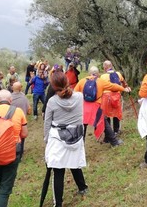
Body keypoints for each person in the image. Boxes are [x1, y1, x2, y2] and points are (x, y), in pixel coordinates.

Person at [44, 72, 88, 207]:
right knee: (74, 162)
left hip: (58, 136)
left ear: (53, 86)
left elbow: (47, 122)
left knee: (58, 170)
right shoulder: (79, 97)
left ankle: (58, 203)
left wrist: (46, 140)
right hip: (76, 135)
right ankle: (82, 187)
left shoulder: (52, 101)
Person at [74, 66, 131, 147]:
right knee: (104, 123)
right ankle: (114, 142)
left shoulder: (82, 81)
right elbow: (113, 86)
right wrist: (124, 89)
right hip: (96, 107)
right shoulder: (100, 82)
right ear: (97, 74)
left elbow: (74, 93)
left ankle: (80, 146)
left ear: (89, 73)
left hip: (84, 107)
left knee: (83, 127)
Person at [100, 60, 127, 135]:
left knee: (106, 115)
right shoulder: (118, 74)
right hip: (116, 96)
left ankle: (108, 132)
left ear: (104, 68)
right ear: (111, 66)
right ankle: (116, 130)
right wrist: (125, 88)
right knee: (116, 113)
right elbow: (124, 83)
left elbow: (101, 87)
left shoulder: (102, 76)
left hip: (107, 97)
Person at [11, 82, 31, 158]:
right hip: (22, 121)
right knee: (22, 137)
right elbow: (29, 110)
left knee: (12, 137)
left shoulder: (9, 98)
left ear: (12, 88)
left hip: (11, 121)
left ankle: (13, 153)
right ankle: (20, 154)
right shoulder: (24, 97)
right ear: (20, 88)